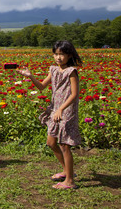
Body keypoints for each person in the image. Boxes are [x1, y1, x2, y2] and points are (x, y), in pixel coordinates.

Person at [16, 40, 82, 189]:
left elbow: (74, 94)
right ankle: (66, 171)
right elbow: (41, 87)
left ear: (69, 55)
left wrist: (61, 109)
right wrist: (29, 76)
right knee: (51, 143)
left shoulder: (71, 72)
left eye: (62, 54)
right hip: (55, 109)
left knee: (64, 144)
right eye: (56, 54)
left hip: (66, 110)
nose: (58, 57)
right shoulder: (53, 70)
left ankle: (70, 181)